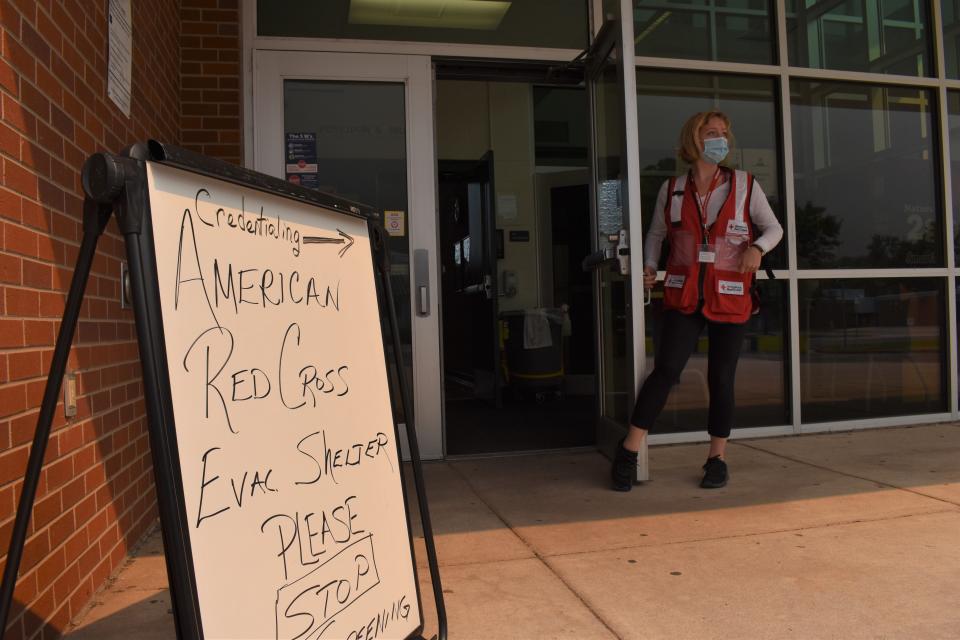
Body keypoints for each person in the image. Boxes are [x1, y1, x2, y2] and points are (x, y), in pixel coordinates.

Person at [611, 111, 783, 492]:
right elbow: (657, 235)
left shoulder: (744, 185)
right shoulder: (671, 189)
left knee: (721, 377)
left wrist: (758, 247)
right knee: (666, 370)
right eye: (711, 133)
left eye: (724, 133)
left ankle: (716, 459)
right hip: (684, 295)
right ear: (694, 140)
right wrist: (650, 267)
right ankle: (628, 451)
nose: (720, 139)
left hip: (731, 296)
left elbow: (774, 228)